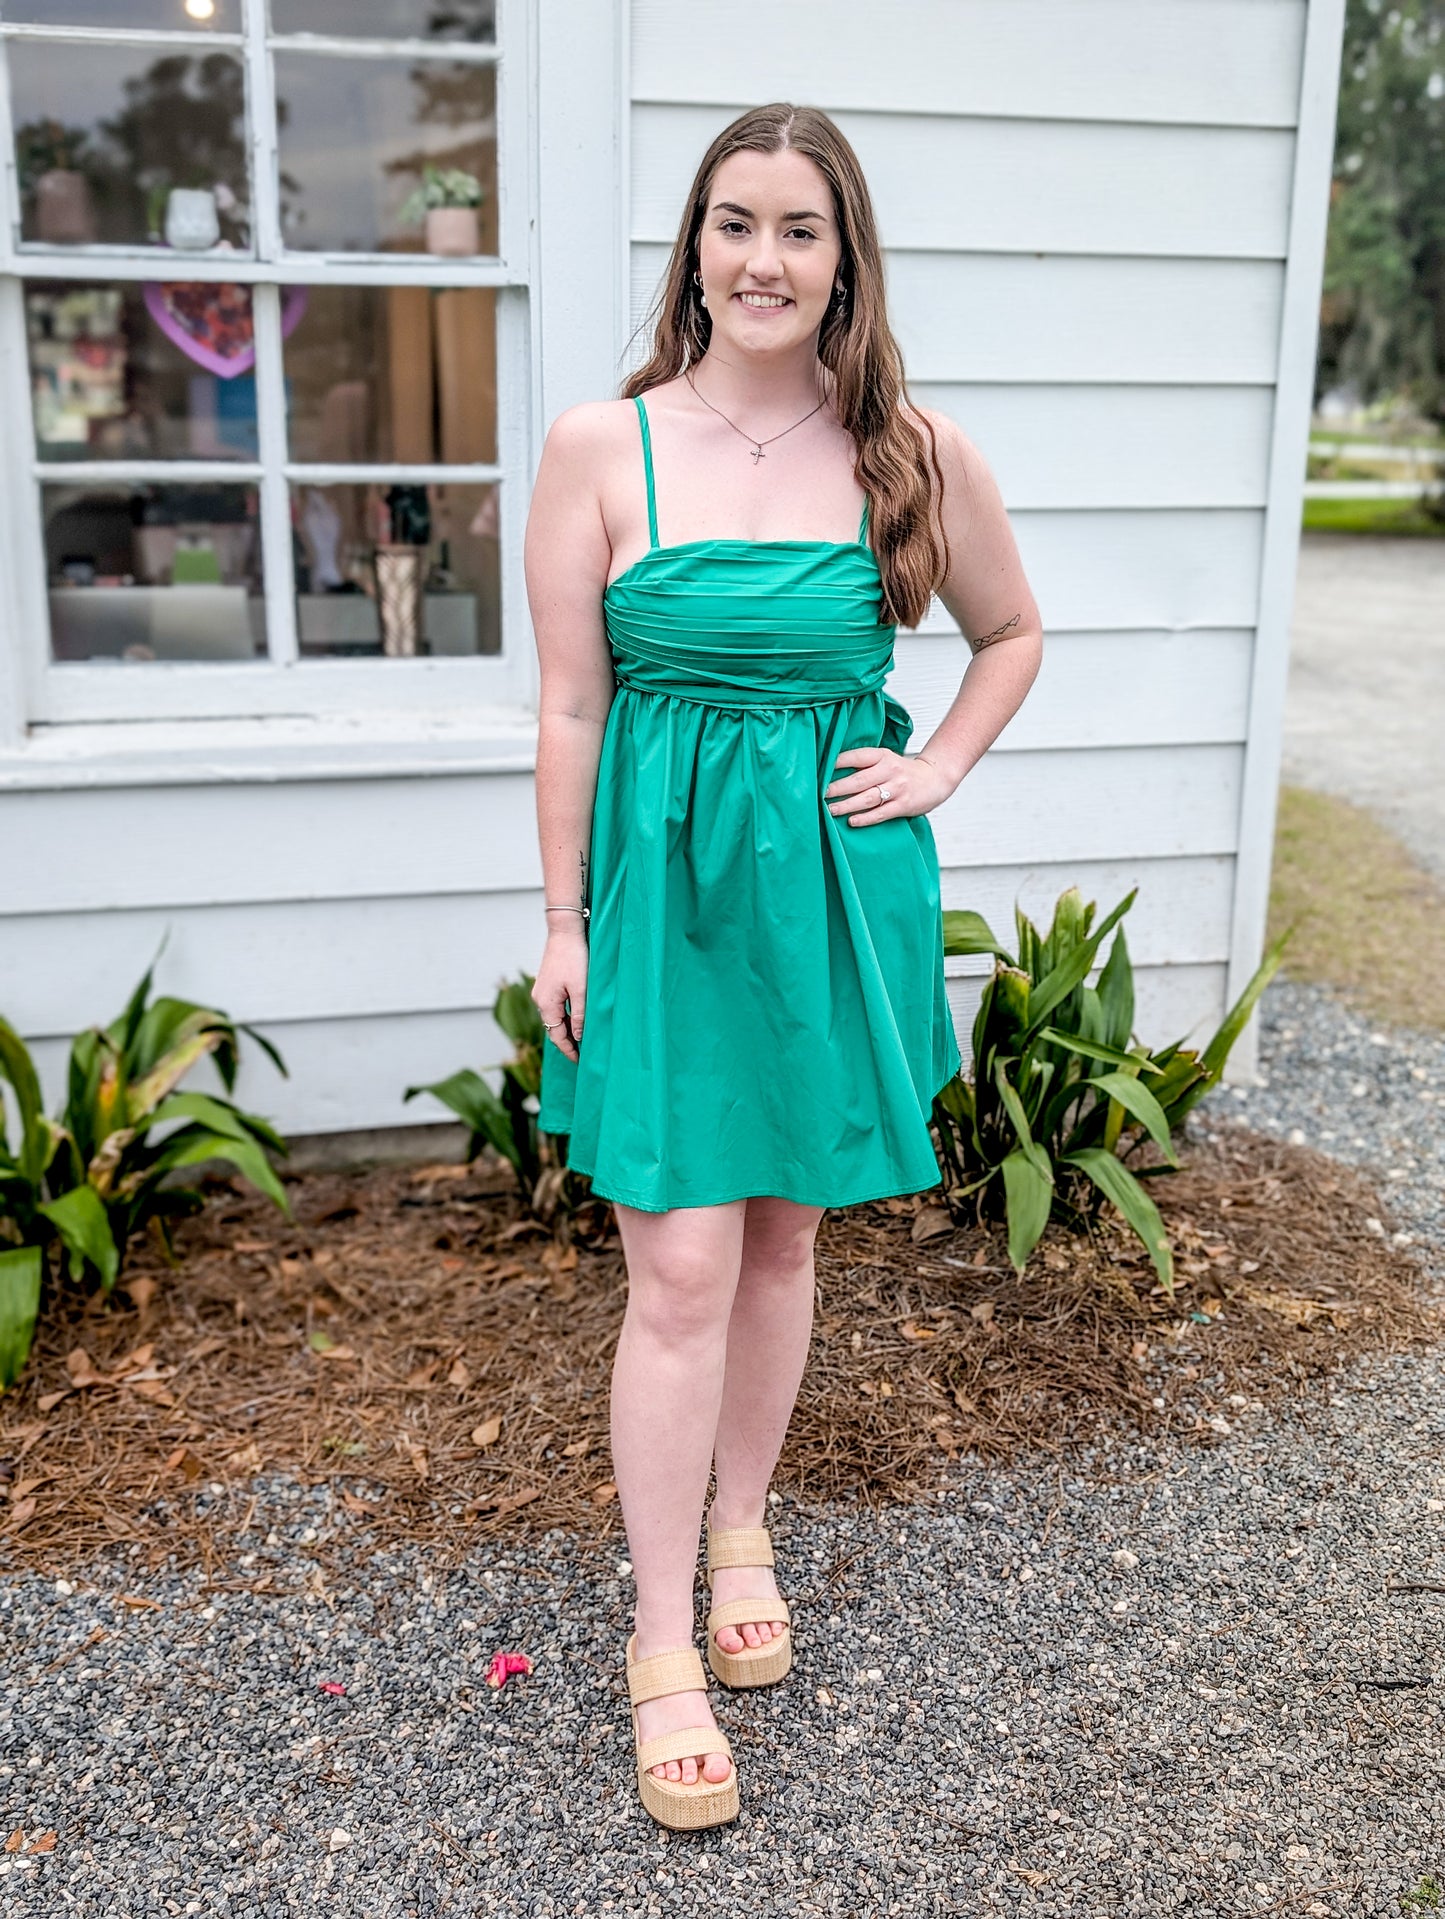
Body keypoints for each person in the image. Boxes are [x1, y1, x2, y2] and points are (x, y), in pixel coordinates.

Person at [525, 103, 1042, 1830]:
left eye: (798, 229)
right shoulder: (601, 446)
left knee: (779, 1245)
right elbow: (572, 703)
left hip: (828, 894)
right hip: (660, 904)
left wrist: (941, 765)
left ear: (843, 258)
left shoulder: (906, 448)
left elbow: (1012, 630)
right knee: (674, 1264)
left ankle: (745, 1514)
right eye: (732, 223)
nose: (762, 258)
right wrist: (559, 919)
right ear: (692, 249)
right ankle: (659, 1630)